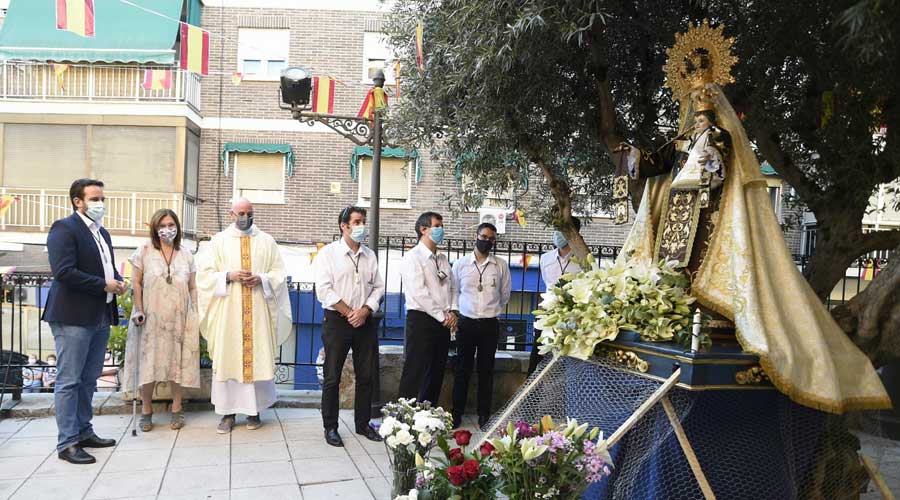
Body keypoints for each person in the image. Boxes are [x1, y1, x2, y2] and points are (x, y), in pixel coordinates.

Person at [613, 42, 888, 412]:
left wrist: (710, 150)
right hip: (676, 216)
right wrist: (631, 155)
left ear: (712, 112)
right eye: (693, 111)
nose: (696, 116)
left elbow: (722, 165)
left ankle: (703, 311)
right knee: (671, 266)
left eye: (702, 111)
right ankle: (670, 305)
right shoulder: (680, 142)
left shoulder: (719, 138)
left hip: (706, 213)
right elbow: (654, 163)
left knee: (698, 263)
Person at [42, 178, 126, 464]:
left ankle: (83, 431)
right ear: (77, 201)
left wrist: (118, 279)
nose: (100, 203)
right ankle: (67, 443)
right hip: (72, 317)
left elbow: (107, 266)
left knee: (89, 379)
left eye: (102, 198)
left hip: (99, 314)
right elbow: (64, 272)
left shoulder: (102, 232)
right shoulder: (64, 228)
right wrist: (104, 284)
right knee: (69, 381)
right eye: (94, 198)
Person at [196, 198, 292, 433]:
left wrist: (262, 278)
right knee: (229, 358)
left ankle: (253, 411)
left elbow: (279, 273)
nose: (244, 217)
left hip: (257, 310)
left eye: (249, 213)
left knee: (256, 357)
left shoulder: (267, 241)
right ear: (231, 214)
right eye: (240, 213)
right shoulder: (218, 242)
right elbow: (204, 275)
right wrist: (228, 275)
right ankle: (227, 414)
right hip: (228, 312)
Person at [313, 206, 385, 447]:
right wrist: (349, 313)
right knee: (332, 376)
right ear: (343, 226)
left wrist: (365, 310)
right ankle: (330, 427)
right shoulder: (329, 254)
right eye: (356, 221)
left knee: (366, 376)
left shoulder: (370, 255)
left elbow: (378, 287)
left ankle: (363, 424)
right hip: (337, 321)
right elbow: (324, 289)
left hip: (364, 321)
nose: (361, 226)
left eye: (363, 221)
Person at [126, 208, 200, 432]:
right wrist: (138, 309)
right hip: (150, 317)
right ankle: (147, 410)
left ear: (177, 227)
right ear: (155, 229)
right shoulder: (144, 251)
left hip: (179, 318)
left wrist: (194, 311)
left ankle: (177, 408)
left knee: (178, 363)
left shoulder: (186, 254)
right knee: (148, 363)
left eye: (170, 225)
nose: (167, 229)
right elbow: (136, 283)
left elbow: (193, 286)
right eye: (162, 226)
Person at [450, 223, 510, 428]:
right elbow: (454, 292)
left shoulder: (500, 265)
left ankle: (483, 414)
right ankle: (455, 414)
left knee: (487, 371)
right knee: (462, 370)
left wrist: (490, 310)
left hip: (489, 325)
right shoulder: (460, 264)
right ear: (475, 236)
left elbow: (505, 295)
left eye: (491, 238)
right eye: (483, 237)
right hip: (466, 323)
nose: (487, 241)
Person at [398, 211, 458, 406]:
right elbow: (419, 292)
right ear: (423, 229)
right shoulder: (412, 257)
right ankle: (405, 416)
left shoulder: (442, 258)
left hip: (443, 321)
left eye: (442, 225)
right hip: (422, 319)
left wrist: (453, 312)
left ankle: (428, 412)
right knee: (415, 369)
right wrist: (442, 316)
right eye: (437, 226)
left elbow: (453, 287)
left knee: (436, 370)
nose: (441, 229)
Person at [528, 217, 583, 374]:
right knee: (537, 356)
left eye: (563, 230)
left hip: (572, 315)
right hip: (548, 313)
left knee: (569, 360)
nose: (558, 234)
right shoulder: (546, 259)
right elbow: (548, 283)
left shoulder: (582, 259)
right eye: (557, 230)